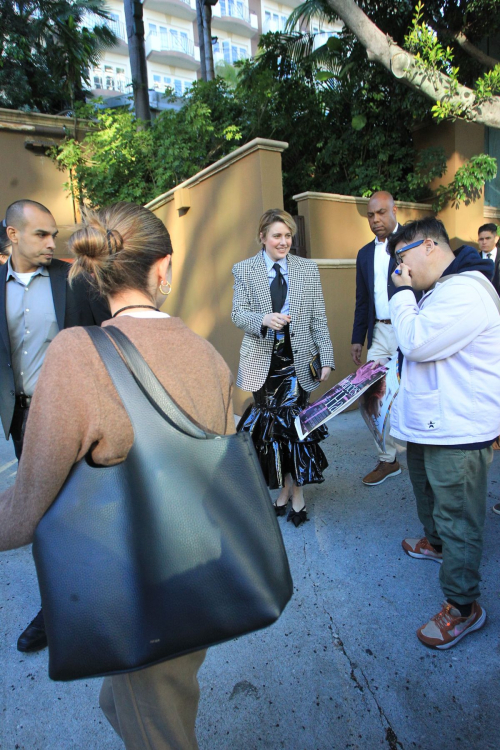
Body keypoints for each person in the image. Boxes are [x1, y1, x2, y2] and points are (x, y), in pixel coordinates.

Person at [0, 201, 234, 749]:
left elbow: (29, 504)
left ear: (94, 273)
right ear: (163, 268)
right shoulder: (206, 353)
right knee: (128, 700)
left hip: (135, 587)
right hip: (199, 570)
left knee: (160, 729)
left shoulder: (75, 355)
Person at [1, 199, 110, 654]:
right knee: (45, 517)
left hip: (75, 412)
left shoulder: (76, 279)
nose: (52, 242)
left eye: (53, 234)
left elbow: (106, 337)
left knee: (89, 509)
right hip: (26, 419)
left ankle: (105, 601)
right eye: (41, 235)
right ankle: (56, 608)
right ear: (12, 236)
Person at [387, 217, 500, 649]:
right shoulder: (442, 290)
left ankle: (463, 606)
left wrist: (399, 295)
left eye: (403, 257)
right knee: (428, 495)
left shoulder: (467, 291)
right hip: (433, 425)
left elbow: (416, 341)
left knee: (459, 519)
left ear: (429, 246)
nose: (401, 268)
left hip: (457, 430)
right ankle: (435, 544)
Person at [232, 208, 334, 527]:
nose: (284, 241)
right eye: (277, 235)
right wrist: (262, 319)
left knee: (294, 428)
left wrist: (327, 357)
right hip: (263, 361)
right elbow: (237, 313)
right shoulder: (244, 270)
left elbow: (318, 316)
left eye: (288, 235)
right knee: (273, 432)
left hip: (297, 361)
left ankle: (297, 491)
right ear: (262, 238)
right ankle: (285, 486)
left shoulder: (307, 269)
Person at [351, 191, 402, 486]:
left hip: (409, 330)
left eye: (381, 213)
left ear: (394, 210)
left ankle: (426, 454)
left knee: (410, 395)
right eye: (371, 215)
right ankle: (388, 459)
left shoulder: (412, 242)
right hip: (379, 334)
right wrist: (358, 337)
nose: (375, 220)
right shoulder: (364, 253)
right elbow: (362, 299)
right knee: (371, 397)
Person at [478, 222, 499, 295]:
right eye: (481, 239)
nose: (484, 242)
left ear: (496, 239)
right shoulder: (474, 260)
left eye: (488, 238)